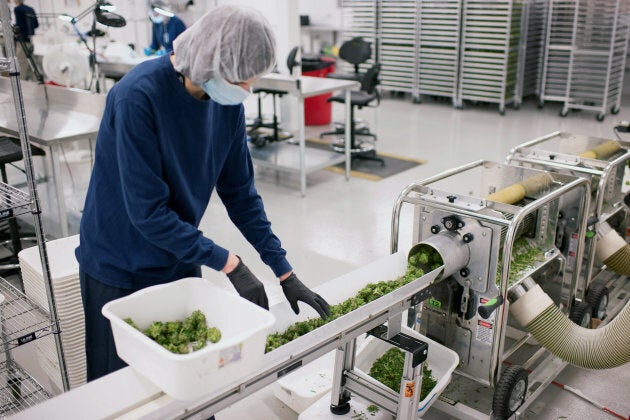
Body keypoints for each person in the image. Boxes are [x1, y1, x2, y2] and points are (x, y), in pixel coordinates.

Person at [76, 4, 331, 383]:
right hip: (119, 265)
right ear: (212, 62)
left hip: (179, 256)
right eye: (244, 80)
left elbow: (242, 196)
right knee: (126, 389)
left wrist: (283, 270)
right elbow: (147, 213)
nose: (249, 90)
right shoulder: (136, 98)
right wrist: (230, 263)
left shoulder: (226, 105)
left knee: (194, 379)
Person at [12, 0, 39, 81]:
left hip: (22, 41)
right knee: (32, 65)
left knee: (21, 65)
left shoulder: (17, 9)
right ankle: (36, 86)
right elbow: (36, 24)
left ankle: (21, 87)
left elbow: (19, 25)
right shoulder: (30, 9)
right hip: (30, 41)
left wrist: (12, 28)